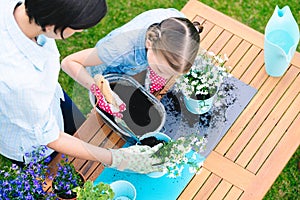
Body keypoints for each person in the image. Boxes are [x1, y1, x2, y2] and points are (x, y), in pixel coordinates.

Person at [0, 0, 163, 174]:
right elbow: (50, 137)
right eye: (78, 27)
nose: (82, 31)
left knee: (82, 131)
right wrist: (117, 158)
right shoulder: (19, 82)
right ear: (53, 22)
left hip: (52, 99)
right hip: (31, 141)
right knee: (61, 171)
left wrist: (96, 87)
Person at [61, 8, 203, 96]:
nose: (165, 77)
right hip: (107, 65)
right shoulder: (119, 49)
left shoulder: (181, 28)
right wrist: (98, 91)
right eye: (160, 69)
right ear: (149, 43)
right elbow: (69, 62)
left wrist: (161, 70)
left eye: (171, 73)